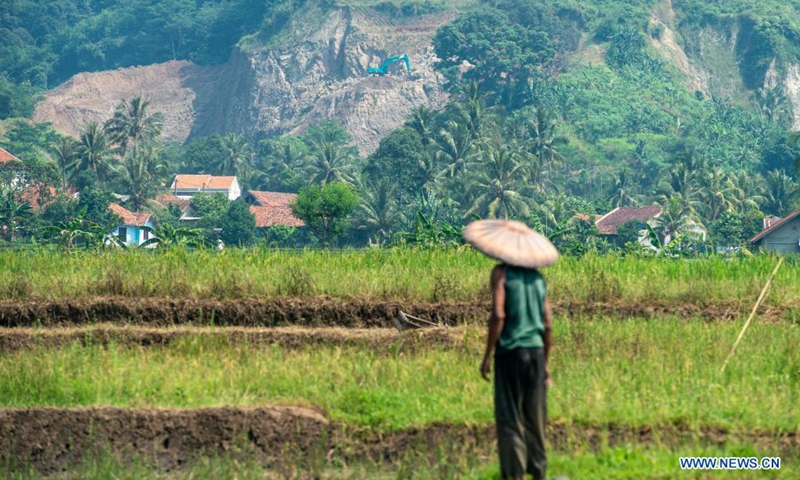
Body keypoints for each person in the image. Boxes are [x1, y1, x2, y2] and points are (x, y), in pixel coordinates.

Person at [480, 263, 553, 480]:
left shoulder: (501, 273)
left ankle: (515, 475)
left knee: (510, 418)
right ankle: (539, 473)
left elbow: (498, 316)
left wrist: (487, 355)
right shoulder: (538, 279)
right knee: (536, 418)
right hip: (537, 354)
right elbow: (548, 324)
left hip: (509, 354)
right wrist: (545, 365)